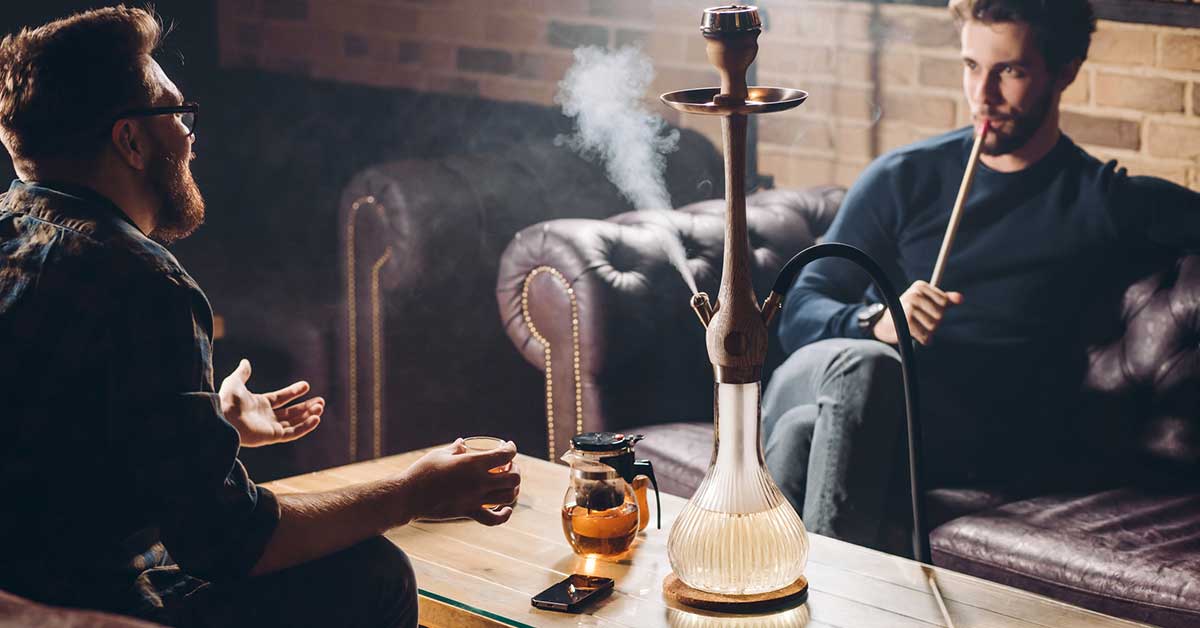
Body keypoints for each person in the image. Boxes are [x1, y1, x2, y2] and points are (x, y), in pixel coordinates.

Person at [0, 7, 521, 627]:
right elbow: (230, 542)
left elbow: (42, 440)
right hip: (92, 603)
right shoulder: (143, 279)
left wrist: (209, 421)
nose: (191, 136)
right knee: (371, 574)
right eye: (176, 114)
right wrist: (416, 491)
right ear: (131, 141)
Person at [763, 0, 1200, 556]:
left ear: (1064, 70)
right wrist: (877, 321)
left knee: (803, 437)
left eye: (1009, 71)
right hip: (835, 373)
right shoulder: (905, 178)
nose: (982, 96)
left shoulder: (1100, 201)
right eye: (972, 66)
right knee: (868, 372)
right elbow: (798, 313)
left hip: (960, 440)